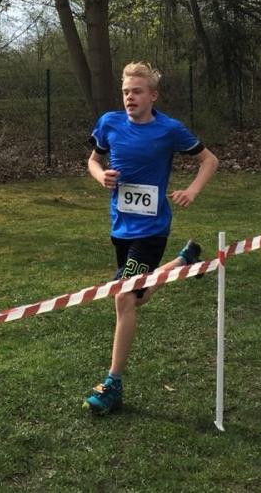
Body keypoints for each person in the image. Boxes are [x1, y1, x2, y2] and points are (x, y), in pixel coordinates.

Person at [83, 62, 219, 415]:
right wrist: (101, 176)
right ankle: (184, 261)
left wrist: (192, 190)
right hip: (120, 228)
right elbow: (93, 161)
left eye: (137, 92)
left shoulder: (168, 129)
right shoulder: (109, 123)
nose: (130, 97)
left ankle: (112, 383)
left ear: (152, 96)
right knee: (138, 297)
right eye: (126, 92)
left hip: (152, 230)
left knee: (124, 297)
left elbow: (209, 160)